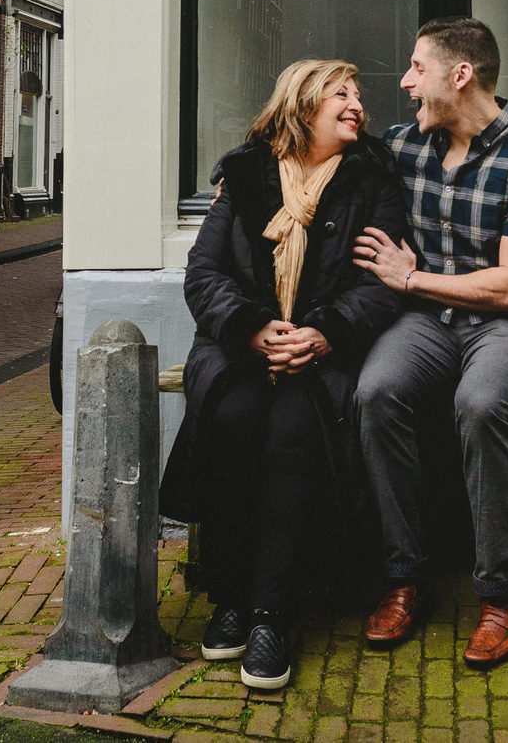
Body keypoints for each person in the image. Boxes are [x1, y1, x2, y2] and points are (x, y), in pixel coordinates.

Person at [160, 60, 407, 691]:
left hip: (323, 354)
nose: (357, 105)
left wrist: (324, 334)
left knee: (294, 433)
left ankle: (271, 612)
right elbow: (203, 274)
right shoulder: (243, 174)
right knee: (236, 419)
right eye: (341, 95)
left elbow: (380, 286)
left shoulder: (373, 179)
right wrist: (250, 328)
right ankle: (230, 599)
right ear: (302, 106)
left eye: (359, 96)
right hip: (243, 349)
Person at [352, 17, 508, 668]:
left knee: (480, 405)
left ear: (461, 75)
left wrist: (412, 277)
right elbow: (308, 149)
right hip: (426, 322)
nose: (406, 81)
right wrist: (238, 183)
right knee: (376, 392)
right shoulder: (402, 147)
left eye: (418, 67)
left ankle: (500, 598)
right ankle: (403, 579)